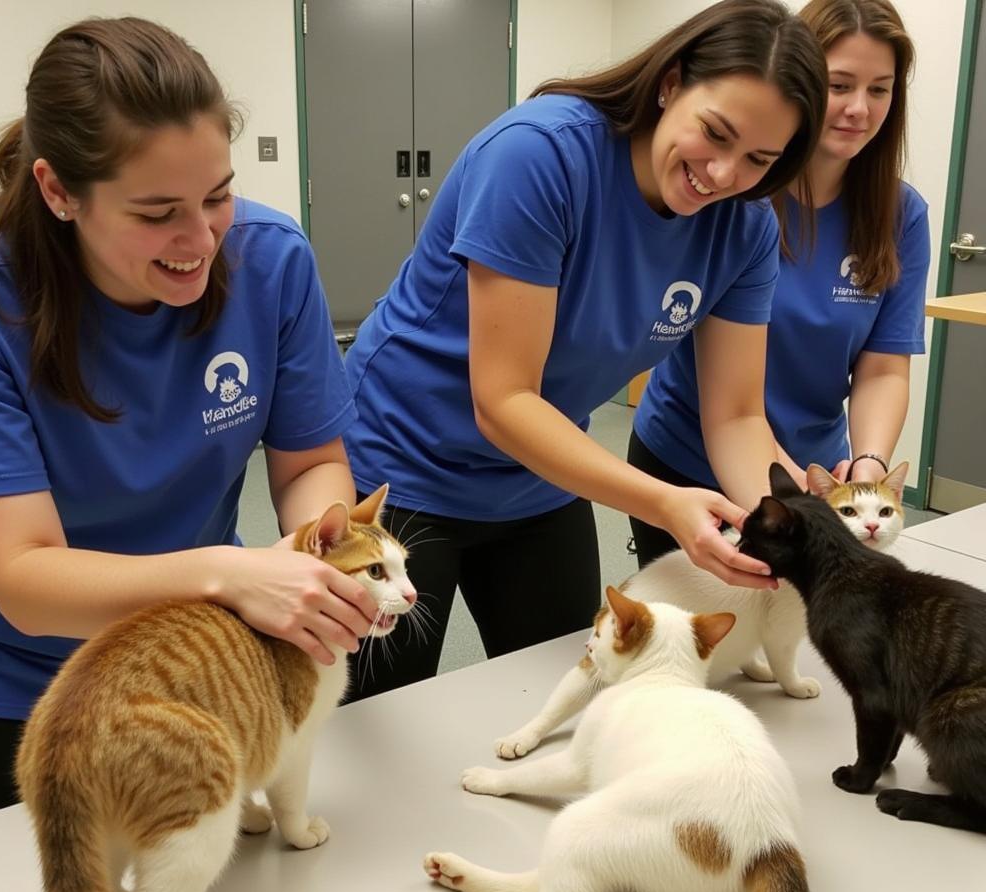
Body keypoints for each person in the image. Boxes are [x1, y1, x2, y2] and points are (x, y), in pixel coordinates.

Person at [342, 0, 828, 697]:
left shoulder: (744, 230)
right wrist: (667, 505)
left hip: (540, 472)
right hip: (405, 464)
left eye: (758, 159)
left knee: (575, 692)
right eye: (714, 134)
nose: (722, 174)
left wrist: (800, 534)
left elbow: (737, 419)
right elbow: (503, 399)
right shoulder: (540, 158)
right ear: (670, 83)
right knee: (375, 716)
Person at [0, 17, 378, 819]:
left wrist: (320, 549)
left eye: (218, 196)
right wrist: (231, 574)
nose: (201, 239)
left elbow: (307, 463)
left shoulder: (271, 260)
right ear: (56, 191)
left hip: (185, 667)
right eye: (157, 214)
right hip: (14, 689)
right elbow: (24, 579)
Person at [632, 0, 930, 566]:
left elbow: (885, 364)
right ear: (800, 84)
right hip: (690, 460)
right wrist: (800, 496)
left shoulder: (900, 215)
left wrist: (865, 469)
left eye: (880, 90)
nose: (858, 110)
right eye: (840, 85)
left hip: (817, 475)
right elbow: (735, 408)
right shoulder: (732, 193)